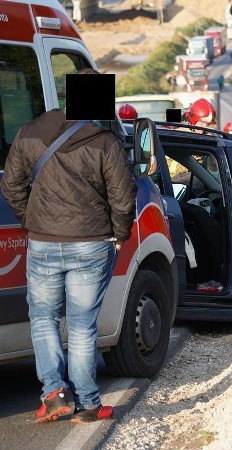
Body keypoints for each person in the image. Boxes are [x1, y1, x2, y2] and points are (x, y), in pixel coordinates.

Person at [0, 74, 137, 424]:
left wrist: (32, 219)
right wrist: (120, 234)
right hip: (92, 246)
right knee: (81, 324)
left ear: (66, 95)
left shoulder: (29, 133)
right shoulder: (105, 143)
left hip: (44, 243)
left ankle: (54, 393)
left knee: (43, 317)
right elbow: (124, 197)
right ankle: (89, 404)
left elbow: (11, 184)